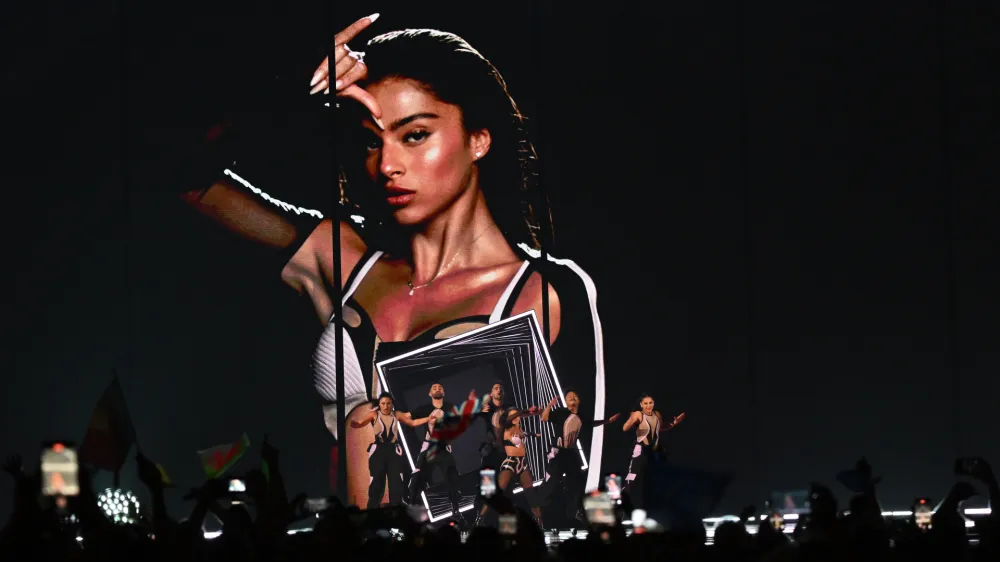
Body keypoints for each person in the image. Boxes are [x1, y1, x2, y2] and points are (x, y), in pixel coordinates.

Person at [177, 14, 607, 509]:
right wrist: (289, 91)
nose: (387, 165)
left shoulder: (540, 289)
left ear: (478, 139)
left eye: (415, 135)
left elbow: (578, 481)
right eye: (370, 140)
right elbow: (187, 179)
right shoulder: (341, 260)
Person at [539, 389, 620, 527]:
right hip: (558, 453)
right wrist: (549, 405)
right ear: (565, 401)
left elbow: (592, 423)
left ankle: (577, 512)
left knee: (577, 484)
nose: (572, 397)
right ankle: (539, 515)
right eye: (569, 396)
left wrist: (607, 421)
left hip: (570, 454)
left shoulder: (582, 416)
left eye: (574, 396)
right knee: (550, 486)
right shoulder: (560, 412)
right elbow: (544, 418)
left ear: (578, 401)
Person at [348, 392, 431, 508]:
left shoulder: (396, 414)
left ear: (391, 404)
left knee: (396, 483)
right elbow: (357, 423)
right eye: (383, 403)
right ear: (379, 404)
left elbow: (412, 422)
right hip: (379, 450)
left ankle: (397, 510)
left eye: (388, 403)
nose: (386, 406)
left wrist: (429, 418)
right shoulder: (374, 415)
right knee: (377, 484)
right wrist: (366, 413)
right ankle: (372, 512)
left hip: (394, 451)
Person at [405, 382, 465, 523]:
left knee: (452, 476)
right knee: (417, 479)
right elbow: (406, 417)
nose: (437, 389)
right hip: (429, 448)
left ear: (443, 392)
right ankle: (409, 507)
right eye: (434, 387)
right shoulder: (425, 409)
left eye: (440, 387)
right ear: (429, 393)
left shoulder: (450, 408)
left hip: (442, 448)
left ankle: (455, 511)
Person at [476, 407, 544, 528]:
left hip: (522, 463)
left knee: (531, 493)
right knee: (497, 493)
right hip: (511, 463)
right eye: (512, 415)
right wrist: (523, 412)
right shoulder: (505, 427)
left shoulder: (519, 428)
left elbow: (525, 433)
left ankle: (539, 523)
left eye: (516, 415)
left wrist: (535, 433)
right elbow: (511, 418)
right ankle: (480, 518)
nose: (515, 417)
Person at [621, 394, 684, 508]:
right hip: (640, 449)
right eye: (645, 403)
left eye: (651, 403)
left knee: (657, 478)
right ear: (641, 405)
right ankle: (620, 502)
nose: (648, 406)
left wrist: (673, 424)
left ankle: (657, 506)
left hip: (655, 450)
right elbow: (625, 428)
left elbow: (660, 428)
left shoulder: (656, 414)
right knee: (632, 478)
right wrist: (632, 419)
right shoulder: (638, 414)